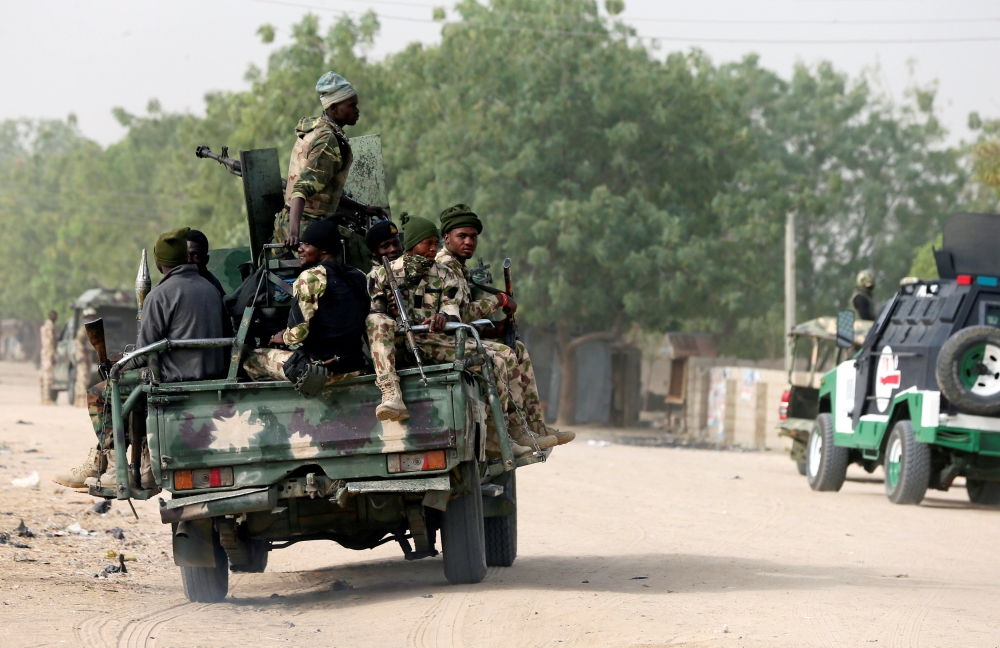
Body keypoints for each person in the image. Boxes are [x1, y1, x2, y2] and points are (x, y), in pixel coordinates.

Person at [54, 227, 229, 490]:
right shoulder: (213, 290)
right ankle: (139, 468)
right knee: (130, 388)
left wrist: (119, 365)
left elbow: (144, 353)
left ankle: (114, 469)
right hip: (212, 377)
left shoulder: (160, 295)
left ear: (159, 263)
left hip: (172, 381)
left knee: (101, 392)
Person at [365, 215, 532, 456]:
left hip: (431, 341)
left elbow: (452, 307)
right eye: (427, 244)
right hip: (396, 346)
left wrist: (443, 317)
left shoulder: (445, 274)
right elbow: (373, 313)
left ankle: (500, 435)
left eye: (436, 243)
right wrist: (388, 312)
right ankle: (391, 393)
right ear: (412, 244)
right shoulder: (380, 275)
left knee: (498, 357)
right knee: (376, 320)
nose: (433, 249)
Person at [436, 204, 574, 447]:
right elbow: (459, 314)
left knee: (518, 350)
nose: (469, 241)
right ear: (447, 238)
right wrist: (498, 300)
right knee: (505, 355)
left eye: (473, 237)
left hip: (459, 336)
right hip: (445, 341)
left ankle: (534, 425)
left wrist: (494, 330)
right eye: (462, 236)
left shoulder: (458, 265)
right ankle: (508, 431)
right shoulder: (445, 266)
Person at [244, 218, 370, 384]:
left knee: (251, 360)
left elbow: (297, 334)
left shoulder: (311, 277)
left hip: (322, 372)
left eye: (307, 244)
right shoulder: (358, 275)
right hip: (355, 367)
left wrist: (282, 337)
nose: (300, 249)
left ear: (324, 249)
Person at [274, 71, 380, 253]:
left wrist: (364, 209)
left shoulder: (317, 129)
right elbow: (301, 189)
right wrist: (294, 234)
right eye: (351, 105)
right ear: (334, 107)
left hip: (300, 221)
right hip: (307, 227)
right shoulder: (327, 140)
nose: (357, 111)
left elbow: (326, 192)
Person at [187, 229, 226, 296]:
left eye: (196, 256)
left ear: (206, 260)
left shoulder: (212, 288)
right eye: (186, 255)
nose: (189, 260)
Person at [72, 307, 96, 408]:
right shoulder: (84, 328)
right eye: (91, 316)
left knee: (85, 378)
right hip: (83, 355)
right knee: (82, 377)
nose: (92, 318)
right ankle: (80, 400)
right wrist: (83, 353)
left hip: (87, 354)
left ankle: (78, 400)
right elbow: (78, 340)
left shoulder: (89, 328)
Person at [39, 310, 57, 405]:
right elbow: (50, 341)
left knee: (43, 375)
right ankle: (46, 399)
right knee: (48, 376)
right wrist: (52, 355)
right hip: (48, 353)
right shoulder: (50, 327)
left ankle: (43, 398)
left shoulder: (44, 326)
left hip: (44, 353)